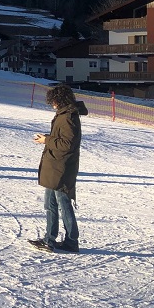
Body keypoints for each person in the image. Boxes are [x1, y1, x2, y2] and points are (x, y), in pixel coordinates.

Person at [29, 84, 88, 253]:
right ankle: (51, 238)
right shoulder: (65, 114)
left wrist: (46, 140)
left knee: (62, 204)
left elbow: (67, 144)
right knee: (51, 204)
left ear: (60, 100)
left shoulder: (68, 116)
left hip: (61, 168)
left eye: (54, 100)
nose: (52, 104)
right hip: (56, 166)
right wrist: (47, 139)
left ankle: (68, 241)